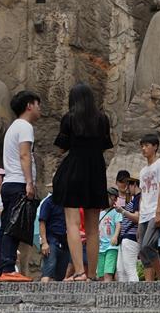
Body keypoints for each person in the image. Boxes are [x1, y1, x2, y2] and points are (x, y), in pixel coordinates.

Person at [52, 83, 113, 282]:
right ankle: (93, 273)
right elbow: (105, 145)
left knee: (73, 223)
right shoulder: (102, 119)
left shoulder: (69, 119)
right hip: (95, 172)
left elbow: (61, 148)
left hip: (73, 170)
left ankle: (79, 272)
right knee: (93, 227)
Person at [0, 90, 41, 282]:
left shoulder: (14, 126)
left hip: (10, 183)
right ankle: (7, 268)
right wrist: (29, 182)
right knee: (13, 227)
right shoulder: (24, 126)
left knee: (7, 225)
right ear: (29, 105)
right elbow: (24, 155)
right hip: (18, 182)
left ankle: (3, 268)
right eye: (38, 104)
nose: (40, 109)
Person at [137, 134, 160, 281]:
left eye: (147, 145)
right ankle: (149, 283)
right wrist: (139, 219)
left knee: (147, 246)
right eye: (142, 146)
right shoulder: (143, 171)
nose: (144, 149)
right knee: (142, 252)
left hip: (156, 210)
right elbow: (142, 194)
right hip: (144, 212)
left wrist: (158, 212)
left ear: (155, 146)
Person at [38, 186, 68, 282]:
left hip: (65, 242)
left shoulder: (67, 203)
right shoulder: (48, 202)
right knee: (48, 269)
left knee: (61, 274)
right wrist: (44, 242)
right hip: (51, 240)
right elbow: (42, 222)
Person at [115, 175, 140, 282]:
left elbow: (138, 217)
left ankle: (135, 295)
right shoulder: (134, 199)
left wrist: (123, 211)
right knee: (121, 270)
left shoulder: (139, 198)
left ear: (134, 185)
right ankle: (123, 295)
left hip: (131, 237)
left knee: (130, 269)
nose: (127, 189)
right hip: (124, 237)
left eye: (128, 186)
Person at [97, 187, 122, 281]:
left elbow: (118, 224)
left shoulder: (116, 211)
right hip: (100, 247)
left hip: (111, 247)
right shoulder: (99, 212)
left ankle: (108, 295)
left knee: (108, 273)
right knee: (100, 275)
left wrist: (115, 236)